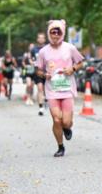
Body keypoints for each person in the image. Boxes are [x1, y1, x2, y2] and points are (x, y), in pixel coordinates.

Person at [35, 19, 84, 157]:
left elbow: (80, 62)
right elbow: (38, 70)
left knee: (66, 122)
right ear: (49, 33)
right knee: (56, 119)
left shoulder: (70, 48)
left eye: (58, 32)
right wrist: (44, 75)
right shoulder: (43, 52)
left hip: (67, 89)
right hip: (52, 90)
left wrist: (72, 69)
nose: (55, 35)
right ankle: (60, 147)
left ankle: (67, 128)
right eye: (53, 32)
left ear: (62, 33)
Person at [30, 32, 48, 115]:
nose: (41, 39)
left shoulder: (48, 48)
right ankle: (41, 108)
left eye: (42, 38)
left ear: (44, 39)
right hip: (38, 72)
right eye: (39, 38)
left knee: (46, 90)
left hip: (47, 72)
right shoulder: (34, 49)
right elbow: (31, 59)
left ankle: (46, 100)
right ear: (37, 39)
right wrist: (32, 62)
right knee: (40, 88)